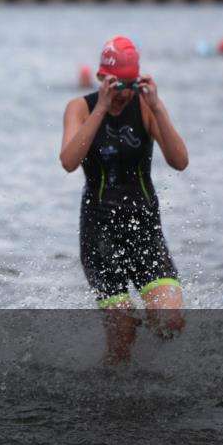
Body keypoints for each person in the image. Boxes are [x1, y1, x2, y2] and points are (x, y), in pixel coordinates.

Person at [60, 36, 189, 364]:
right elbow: (68, 160)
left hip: (144, 228)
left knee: (170, 323)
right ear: (102, 79)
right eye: (117, 85)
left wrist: (158, 108)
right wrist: (102, 108)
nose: (124, 94)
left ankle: (138, 325)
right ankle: (112, 399)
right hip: (99, 233)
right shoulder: (81, 107)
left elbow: (180, 160)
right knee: (121, 343)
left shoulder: (145, 107)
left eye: (130, 85)